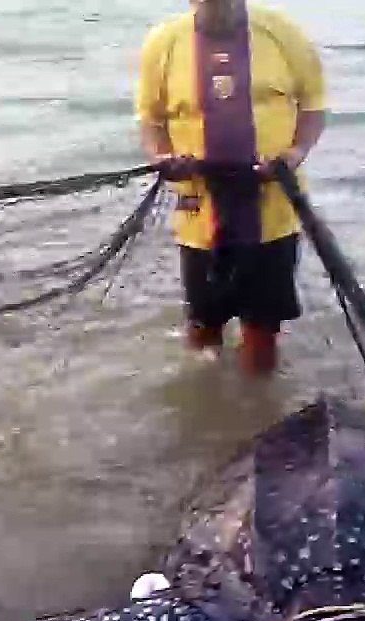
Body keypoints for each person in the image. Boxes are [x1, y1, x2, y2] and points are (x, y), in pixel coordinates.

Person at [132, 0, 327, 376]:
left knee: (262, 326)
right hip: (199, 214)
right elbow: (151, 120)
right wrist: (164, 157)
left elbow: (314, 106)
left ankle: (257, 410)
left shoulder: (282, 32)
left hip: (271, 212)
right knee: (204, 323)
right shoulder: (163, 42)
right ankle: (209, 403)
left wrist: (295, 153)